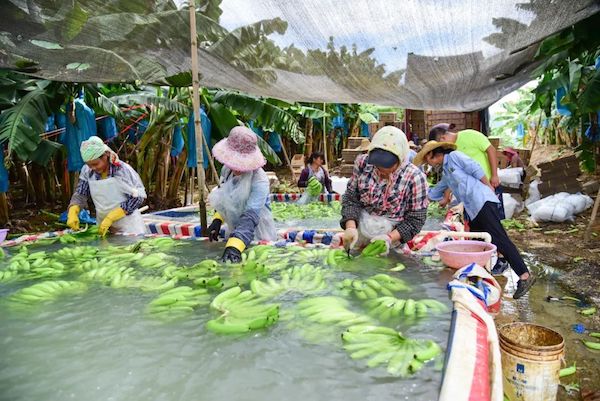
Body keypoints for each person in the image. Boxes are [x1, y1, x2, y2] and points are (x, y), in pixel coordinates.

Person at [414, 141, 535, 299]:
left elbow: (474, 168)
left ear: (432, 155)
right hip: (472, 208)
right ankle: (479, 277)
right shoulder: (446, 170)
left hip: (482, 201)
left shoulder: (454, 156)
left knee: (499, 238)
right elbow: (439, 189)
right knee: (478, 241)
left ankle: (524, 275)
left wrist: (487, 186)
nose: (427, 163)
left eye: (426, 159)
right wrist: (421, 199)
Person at [341, 126, 429, 256]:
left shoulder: (415, 177)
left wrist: (389, 238)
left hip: (393, 238)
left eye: (388, 165)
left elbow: (415, 219)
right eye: (377, 164)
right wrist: (350, 227)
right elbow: (351, 198)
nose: (382, 170)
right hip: (360, 231)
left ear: (400, 159)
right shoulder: (363, 164)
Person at [207, 126, 276, 263]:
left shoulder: (259, 180)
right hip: (234, 233)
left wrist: (235, 246)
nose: (236, 167)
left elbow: (250, 216)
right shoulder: (227, 171)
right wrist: (217, 220)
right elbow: (226, 198)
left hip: (258, 235)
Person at [67, 136, 146, 236]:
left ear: (106, 156)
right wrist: (73, 210)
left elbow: (138, 197)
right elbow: (81, 193)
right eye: (89, 165)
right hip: (103, 225)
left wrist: (111, 217)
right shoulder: (87, 171)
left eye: (95, 164)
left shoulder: (122, 170)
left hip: (128, 226)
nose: (93, 168)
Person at [428, 123, 504, 217]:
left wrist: (494, 175)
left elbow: (491, 150)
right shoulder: (450, 153)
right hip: (472, 193)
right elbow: (454, 177)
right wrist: (446, 197)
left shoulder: (470, 135)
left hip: (488, 183)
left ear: (442, 139)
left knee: (495, 218)